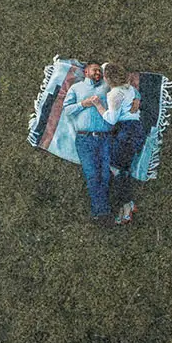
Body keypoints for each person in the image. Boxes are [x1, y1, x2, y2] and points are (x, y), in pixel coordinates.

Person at [93, 62, 146, 225]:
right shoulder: (129, 87)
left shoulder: (114, 94)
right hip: (136, 130)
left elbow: (111, 118)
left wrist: (98, 105)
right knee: (122, 168)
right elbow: (136, 94)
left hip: (126, 133)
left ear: (108, 78)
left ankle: (127, 206)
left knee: (117, 169)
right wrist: (137, 99)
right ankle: (126, 207)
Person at [62, 59, 113, 223]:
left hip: (104, 138)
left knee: (105, 175)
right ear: (85, 72)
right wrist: (83, 104)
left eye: (99, 71)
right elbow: (67, 110)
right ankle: (100, 212)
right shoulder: (76, 88)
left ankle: (102, 209)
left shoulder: (107, 87)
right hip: (84, 139)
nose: (97, 73)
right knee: (92, 175)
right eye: (94, 70)